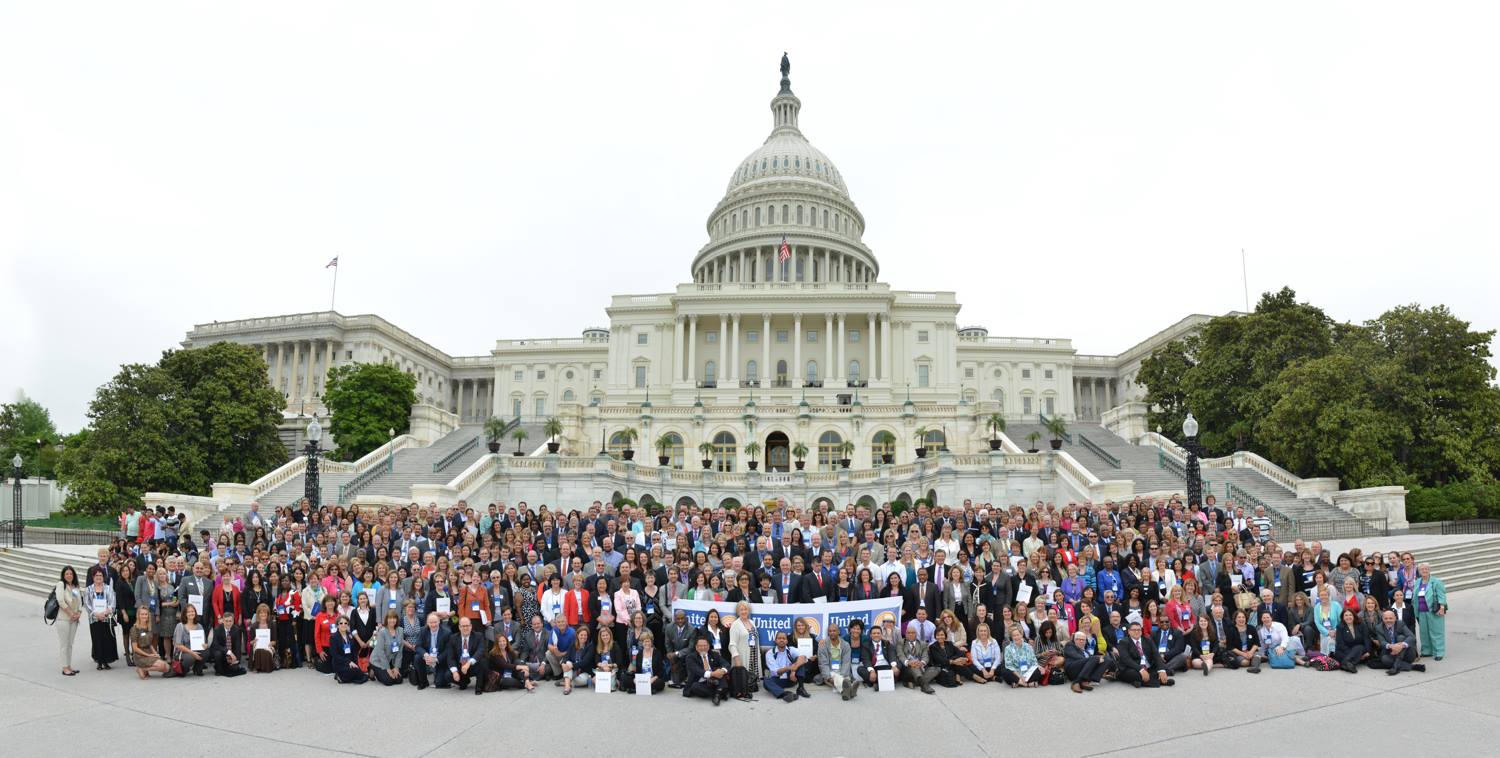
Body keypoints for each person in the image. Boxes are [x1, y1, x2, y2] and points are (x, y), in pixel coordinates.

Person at [1116, 621, 1173, 688]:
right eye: (1134, 630)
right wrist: (1140, 669)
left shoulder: (1148, 640)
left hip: (1147, 667)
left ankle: (1136, 681)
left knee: (1164, 668)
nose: (1136, 632)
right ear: (1129, 631)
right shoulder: (1123, 642)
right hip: (1132, 667)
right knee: (1135, 674)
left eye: (1138, 630)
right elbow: (1126, 659)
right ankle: (1160, 682)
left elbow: (1156, 655)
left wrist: (1161, 670)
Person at [443, 616, 488, 695]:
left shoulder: (478, 636)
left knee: (483, 661)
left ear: (471, 626)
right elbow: (450, 657)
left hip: (472, 665)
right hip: (460, 666)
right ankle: (463, 682)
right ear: (459, 627)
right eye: (463, 626)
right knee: (448, 675)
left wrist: (469, 663)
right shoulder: (453, 638)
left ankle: (479, 687)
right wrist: (455, 672)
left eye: (467, 626)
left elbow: (480, 651)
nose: (465, 628)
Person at [1373, 609, 1425, 676]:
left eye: (1390, 618)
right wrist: (1392, 646)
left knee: (1401, 638)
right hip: (1391, 653)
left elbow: (1412, 637)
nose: (1388, 620)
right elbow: (1382, 642)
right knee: (1384, 659)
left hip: (1407, 654)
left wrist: (1401, 646)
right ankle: (1413, 667)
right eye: (1386, 618)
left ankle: (1396, 666)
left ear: (1395, 618)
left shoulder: (1400, 624)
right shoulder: (1379, 628)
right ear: (1382, 619)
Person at [84, 568, 118, 671]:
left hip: (106, 618)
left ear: (103, 577)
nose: (98, 577)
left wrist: (106, 612)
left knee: (107, 639)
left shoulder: (108, 588)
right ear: (93, 577)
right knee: (97, 639)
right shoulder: (88, 589)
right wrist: (96, 614)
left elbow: (112, 602)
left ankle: (106, 661)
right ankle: (99, 661)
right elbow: (87, 604)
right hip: (94, 619)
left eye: (100, 575)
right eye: (96, 576)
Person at [1413, 563, 1448, 660]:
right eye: (1422, 569)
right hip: (1421, 610)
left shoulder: (1436, 582)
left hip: (1434, 610)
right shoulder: (1418, 581)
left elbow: (1442, 595)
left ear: (1429, 570)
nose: (1424, 571)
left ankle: (1439, 652)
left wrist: (1441, 607)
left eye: (1426, 569)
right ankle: (1426, 651)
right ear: (1419, 571)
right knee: (1424, 632)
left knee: (1436, 631)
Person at [54, 566, 84, 676]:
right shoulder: (61, 585)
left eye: (71, 574)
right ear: (63, 575)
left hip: (74, 619)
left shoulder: (75, 587)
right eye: (67, 574)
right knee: (64, 644)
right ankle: (64, 667)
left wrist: (79, 613)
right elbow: (61, 601)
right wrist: (71, 614)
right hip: (64, 619)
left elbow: (79, 602)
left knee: (70, 644)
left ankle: (69, 665)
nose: (69, 576)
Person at [684, 635, 730, 705]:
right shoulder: (690, 657)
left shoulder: (714, 654)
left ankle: (717, 695)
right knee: (695, 686)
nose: (703, 648)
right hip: (701, 681)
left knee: (721, 672)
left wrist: (722, 671)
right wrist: (713, 674)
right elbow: (698, 671)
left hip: (716, 680)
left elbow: (726, 664)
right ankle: (720, 692)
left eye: (705, 645)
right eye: (700, 646)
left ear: (708, 646)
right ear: (696, 647)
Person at [411, 612, 451, 690]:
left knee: (439, 683)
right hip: (428, 656)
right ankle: (423, 682)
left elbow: (448, 650)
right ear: (427, 623)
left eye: (435, 622)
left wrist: (436, 659)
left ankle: (439, 677)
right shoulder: (423, 630)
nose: (433, 625)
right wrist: (426, 655)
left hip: (440, 658)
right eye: (431, 623)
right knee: (417, 658)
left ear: (439, 621)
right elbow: (418, 646)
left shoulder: (447, 632)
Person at [727, 601, 758, 701]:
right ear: (738, 611)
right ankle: (743, 689)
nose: (744, 611)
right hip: (742, 655)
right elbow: (732, 644)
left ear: (749, 610)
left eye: (746, 609)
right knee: (742, 676)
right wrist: (736, 658)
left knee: (751, 675)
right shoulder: (736, 624)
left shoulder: (752, 622)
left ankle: (750, 686)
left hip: (753, 654)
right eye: (741, 609)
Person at [897, 621, 939, 693]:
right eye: (908, 633)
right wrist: (909, 662)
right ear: (905, 634)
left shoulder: (922, 643)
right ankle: (924, 686)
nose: (910, 634)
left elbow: (925, 656)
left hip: (921, 667)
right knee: (914, 666)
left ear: (916, 634)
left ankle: (915, 682)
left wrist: (922, 663)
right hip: (908, 669)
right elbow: (900, 655)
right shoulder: (901, 642)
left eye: (913, 633)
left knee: (937, 669)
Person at [129, 607, 170, 679]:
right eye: (142, 614)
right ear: (138, 615)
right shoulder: (134, 629)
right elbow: (135, 648)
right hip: (139, 655)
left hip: (149, 652)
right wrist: (148, 655)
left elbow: (149, 644)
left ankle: (145, 670)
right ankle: (141, 668)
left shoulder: (148, 627)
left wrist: (155, 653)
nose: (144, 616)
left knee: (167, 667)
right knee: (162, 665)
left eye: (146, 614)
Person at [625, 630, 668, 694]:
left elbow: (661, 671)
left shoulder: (657, 653)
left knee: (660, 683)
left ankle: (636, 689)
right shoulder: (639, 654)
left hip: (653, 679)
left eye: (648, 641)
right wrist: (636, 679)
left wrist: (653, 679)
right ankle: (648, 689)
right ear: (642, 643)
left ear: (651, 642)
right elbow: (637, 671)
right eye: (645, 641)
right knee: (626, 679)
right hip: (642, 679)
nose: (647, 643)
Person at [172, 602, 208, 676]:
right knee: (190, 657)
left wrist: (205, 646)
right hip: (183, 652)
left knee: (206, 652)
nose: (191, 613)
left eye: (192, 611)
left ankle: (197, 668)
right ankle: (183, 669)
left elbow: (204, 642)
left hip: (195, 650)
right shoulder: (180, 626)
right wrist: (192, 653)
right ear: (185, 614)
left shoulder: (199, 626)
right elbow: (178, 645)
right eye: (188, 612)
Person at [208, 610, 247, 677]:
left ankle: (228, 665)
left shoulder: (237, 630)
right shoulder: (217, 629)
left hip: (231, 653)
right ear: (223, 621)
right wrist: (228, 652)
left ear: (233, 621)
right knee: (218, 654)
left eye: (230, 621)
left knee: (234, 668)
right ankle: (218, 669)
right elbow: (215, 645)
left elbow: (237, 646)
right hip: (220, 651)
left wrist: (237, 660)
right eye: (226, 621)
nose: (228, 623)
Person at [328, 616, 367, 684]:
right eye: (341, 623)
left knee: (359, 672)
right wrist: (348, 662)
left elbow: (354, 651)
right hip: (340, 663)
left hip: (351, 662)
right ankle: (341, 677)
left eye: (345, 623)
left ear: (348, 625)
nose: (343, 625)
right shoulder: (333, 637)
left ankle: (343, 677)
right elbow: (335, 655)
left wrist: (355, 663)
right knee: (357, 674)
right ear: (337, 625)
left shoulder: (350, 636)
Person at [370, 611, 404, 685]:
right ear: (386, 620)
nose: (392, 620)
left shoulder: (400, 630)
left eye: (394, 618)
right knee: (389, 681)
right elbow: (380, 652)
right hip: (378, 660)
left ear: (397, 619)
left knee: (399, 680)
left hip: (390, 660)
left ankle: (387, 670)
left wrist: (396, 667)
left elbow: (400, 651)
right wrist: (387, 669)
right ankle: (372, 669)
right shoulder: (382, 632)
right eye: (390, 618)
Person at [1332, 608, 1369, 673]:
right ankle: (1349, 663)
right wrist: (1353, 654)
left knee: (1359, 647)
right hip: (1344, 650)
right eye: (1346, 615)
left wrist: (1368, 651)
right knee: (1339, 654)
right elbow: (1340, 644)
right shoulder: (1340, 626)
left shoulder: (1361, 624)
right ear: (1343, 617)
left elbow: (1366, 639)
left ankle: (1345, 663)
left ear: (1354, 616)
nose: (1348, 617)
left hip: (1359, 648)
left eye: (1350, 615)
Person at [247, 603, 278, 673]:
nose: (263, 614)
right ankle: (257, 667)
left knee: (266, 650)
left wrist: (271, 643)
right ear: (258, 614)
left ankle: (266, 667)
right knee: (258, 649)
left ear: (268, 614)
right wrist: (254, 641)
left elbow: (275, 641)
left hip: (269, 645)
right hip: (257, 645)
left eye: (265, 613)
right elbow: (250, 642)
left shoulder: (272, 624)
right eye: (261, 613)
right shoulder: (254, 626)